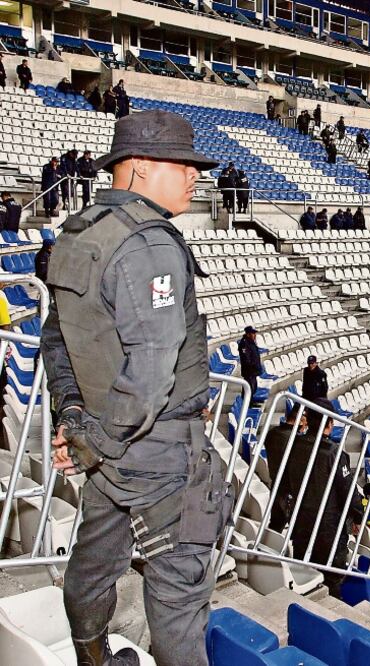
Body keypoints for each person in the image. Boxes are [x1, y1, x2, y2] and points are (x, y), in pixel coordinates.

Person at [40, 110, 227, 666]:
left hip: (107, 448)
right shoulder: (149, 244)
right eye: (182, 165)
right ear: (141, 167)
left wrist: (76, 421)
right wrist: (96, 439)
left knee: (94, 562)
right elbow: (151, 367)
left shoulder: (79, 231)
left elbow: (58, 340)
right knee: (179, 596)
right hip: (155, 454)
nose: (195, 176)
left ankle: (92, 658)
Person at [289, 400, 364, 596]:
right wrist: (359, 516)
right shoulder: (334, 453)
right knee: (332, 577)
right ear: (330, 423)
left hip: (301, 521)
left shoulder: (295, 445)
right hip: (328, 527)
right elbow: (347, 490)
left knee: (305, 571)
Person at [239, 325, 264, 399]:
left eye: (255, 333)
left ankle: (250, 402)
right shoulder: (244, 344)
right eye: (253, 333)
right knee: (249, 389)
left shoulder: (251, 342)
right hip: (249, 371)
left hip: (253, 371)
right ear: (248, 334)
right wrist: (253, 366)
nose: (255, 335)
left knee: (253, 388)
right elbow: (246, 359)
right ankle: (246, 402)